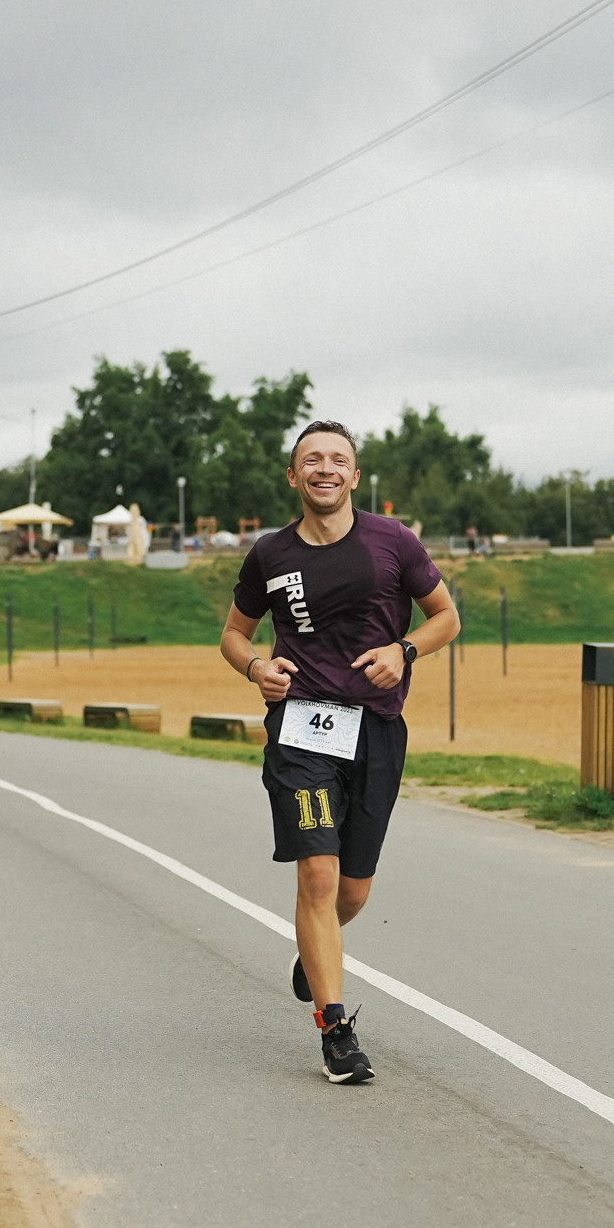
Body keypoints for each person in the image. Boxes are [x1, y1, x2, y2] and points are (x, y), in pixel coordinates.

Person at [220, 420, 459, 1085]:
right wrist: (255, 667)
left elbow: (446, 617)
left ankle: (313, 950)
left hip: (377, 729)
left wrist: (404, 651)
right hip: (301, 730)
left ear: (354, 476)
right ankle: (335, 1030)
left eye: (337, 459)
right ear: (292, 476)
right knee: (318, 878)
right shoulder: (270, 555)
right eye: (311, 459)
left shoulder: (393, 542)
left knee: (352, 890)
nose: (324, 468)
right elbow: (234, 634)